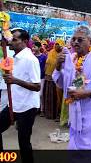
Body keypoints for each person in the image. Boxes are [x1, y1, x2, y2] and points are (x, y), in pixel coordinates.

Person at [53, 25, 91, 150]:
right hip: (76, 112)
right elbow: (61, 84)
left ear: (90, 42)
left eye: (80, 39)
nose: (75, 42)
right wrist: (58, 66)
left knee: (82, 151)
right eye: (74, 39)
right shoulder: (72, 59)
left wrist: (87, 93)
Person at [1, 28, 41, 163]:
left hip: (27, 106)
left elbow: (37, 86)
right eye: (11, 38)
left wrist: (14, 80)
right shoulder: (13, 57)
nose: (11, 41)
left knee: (24, 142)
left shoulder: (31, 60)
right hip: (13, 103)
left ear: (24, 42)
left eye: (15, 39)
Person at [42, 38, 65, 120]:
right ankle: (48, 113)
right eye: (56, 44)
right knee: (48, 96)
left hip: (59, 79)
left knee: (58, 98)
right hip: (48, 77)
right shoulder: (51, 52)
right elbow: (47, 64)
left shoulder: (64, 55)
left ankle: (57, 115)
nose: (57, 46)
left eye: (59, 44)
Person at [32, 41, 47, 116]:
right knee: (34, 93)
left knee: (40, 94)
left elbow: (45, 67)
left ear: (39, 47)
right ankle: (35, 109)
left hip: (41, 77)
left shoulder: (44, 56)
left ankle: (42, 109)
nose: (33, 48)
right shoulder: (32, 56)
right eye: (33, 46)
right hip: (33, 77)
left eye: (35, 47)